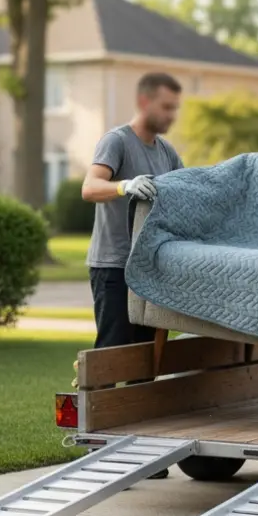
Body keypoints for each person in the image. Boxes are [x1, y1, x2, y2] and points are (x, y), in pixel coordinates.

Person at [82, 71, 185, 477]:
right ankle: (100, 452)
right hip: (112, 264)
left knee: (145, 361)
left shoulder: (166, 152)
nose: (171, 115)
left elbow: (183, 190)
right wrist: (125, 186)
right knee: (112, 356)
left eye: (175, 107)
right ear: (144, 102)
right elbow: (90, 187)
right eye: (166, 106)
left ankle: (140, 453)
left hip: (148, 268)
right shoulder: (117, 141)